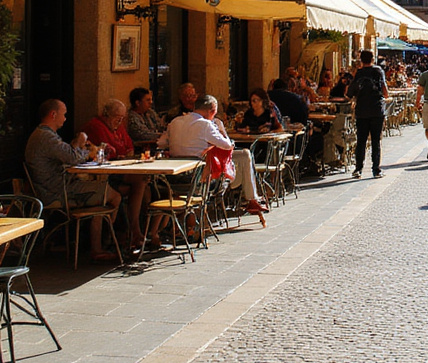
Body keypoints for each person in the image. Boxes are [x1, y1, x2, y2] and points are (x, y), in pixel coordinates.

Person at [24, 99, 121, 262]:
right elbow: (73, 157)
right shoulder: (46, 137)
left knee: (103, 192)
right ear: (53, 114)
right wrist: (82, 141)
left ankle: (99, 244)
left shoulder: (43, 135)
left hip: (54, 189)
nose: (65, 118)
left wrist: (76, 146)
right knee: (113, 196)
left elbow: (68, 153)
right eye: (64, 114)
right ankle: (106, 241)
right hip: (58, 192)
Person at [159, 94, 267, 226]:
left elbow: (161, 143)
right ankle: (250, 198)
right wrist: (220, 128)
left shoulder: (175, 122)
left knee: (243, 156)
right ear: (212, 111)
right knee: (242, 157)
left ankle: (251, 198)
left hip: (173, 178)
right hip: (199, 178)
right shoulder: (205, 125)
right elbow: (227, 145)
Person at [84, 99, 156, 251]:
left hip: (120, 171)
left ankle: (137, 233)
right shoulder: (96, 126)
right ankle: (135, 232)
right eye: (118, 117)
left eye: (123, 118)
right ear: (107, 115)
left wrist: (123, 152)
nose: (120, 121)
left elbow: (128, 145)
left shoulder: (117, 126)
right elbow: (110, 150)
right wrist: (120, 153)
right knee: (142, 181)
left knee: (145, 186)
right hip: (106, 175)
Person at [349, 49, 388, 178]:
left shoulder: (359, 73)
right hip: (376, 110)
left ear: (361, 60)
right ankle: (376, 169)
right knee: (376, 141)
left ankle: (358, 169)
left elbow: (349, 93)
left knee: (361, 140)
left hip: (361, 111)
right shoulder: (378, 71)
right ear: (372, 59)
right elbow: (385, 90)